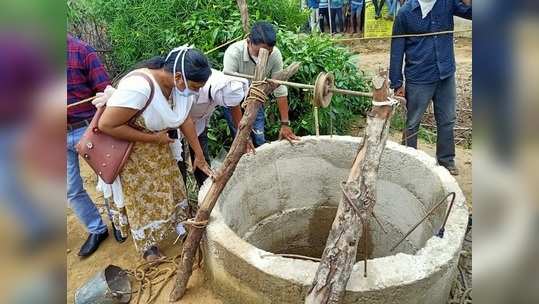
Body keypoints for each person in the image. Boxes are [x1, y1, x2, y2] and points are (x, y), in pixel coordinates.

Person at [95, 46, 213, 260]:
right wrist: (153, 139)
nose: (195, 92)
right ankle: (148, 246)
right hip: (134, 155)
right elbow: (107, 125)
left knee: (171, 188)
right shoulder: (139, 88)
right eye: (195, 87)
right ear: (178, 77)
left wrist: (199, 154)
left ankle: (179, 227)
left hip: (161, 149)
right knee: (143, 198)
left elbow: (184, 118)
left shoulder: (178, 87)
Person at [389, 0, 472, 176]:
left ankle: (445, 160)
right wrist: (396, 83)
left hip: (445, 74)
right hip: (419, 77)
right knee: (412, 123)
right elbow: (397, 51)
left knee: (447, 119)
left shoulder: (447, 3)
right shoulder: (405, 13)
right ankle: (409, 160)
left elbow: (471, 14)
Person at [67, 34, 124, 258]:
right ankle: (96, 229)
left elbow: (105, 91)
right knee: (70, 189)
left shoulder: (82, 50)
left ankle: (120, 223)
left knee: (108, 179)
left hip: (87, 127)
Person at [222, 21, 299, 147]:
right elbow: (230, 97)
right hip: (233, 101)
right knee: (240, 141)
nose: (263, 56)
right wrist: (243, 136)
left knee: (259, 139)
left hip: (256, 97)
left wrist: (285, 124)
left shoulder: (275, 55)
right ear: (248, 42)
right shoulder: (233, 54)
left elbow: (279, 88)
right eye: (258, 53)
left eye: (268, 52)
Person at [179, 69, 249, 187]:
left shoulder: (227, 85)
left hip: (200, 123)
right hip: (178, 124)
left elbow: (234, 106)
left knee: (203, 163)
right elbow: (186, 121)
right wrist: (198, 153)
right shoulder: (195, 89)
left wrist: (243, 136)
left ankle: (205, 190)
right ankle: (182, 198)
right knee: (178, 163)